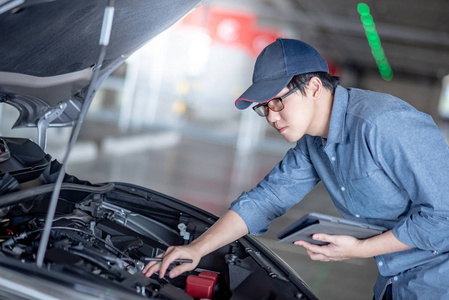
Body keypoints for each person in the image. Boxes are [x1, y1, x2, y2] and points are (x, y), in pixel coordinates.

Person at [142, 37, 449, 299]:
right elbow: (266, 200)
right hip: (395, 280)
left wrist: (359, 249)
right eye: (263, 109)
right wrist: (197, 248)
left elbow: (444, 215)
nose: (272, 117)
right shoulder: (313, 144)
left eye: (276, 102)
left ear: (314, 86)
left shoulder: (384, 124)